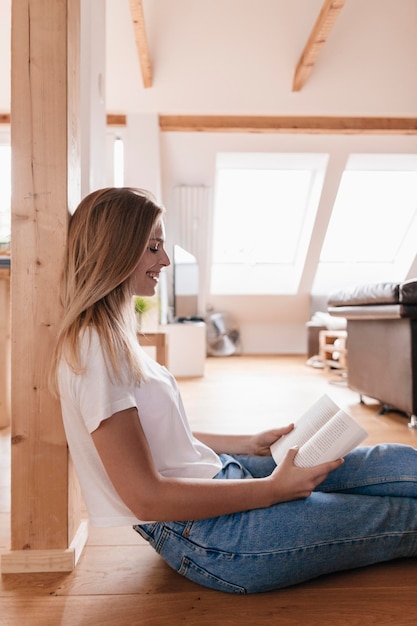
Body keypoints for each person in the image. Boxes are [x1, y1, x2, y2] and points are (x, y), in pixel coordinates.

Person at [50, 187, 417, 594]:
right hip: (213, 538)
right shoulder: (94, 351)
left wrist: (250, 443)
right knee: (395, 515)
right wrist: (272, 490)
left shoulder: (112, 338)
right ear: (115, 250)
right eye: (153, 247)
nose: (165, 260)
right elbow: (146, 499)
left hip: (217, 476)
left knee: (390, 460)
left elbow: (157, 437)